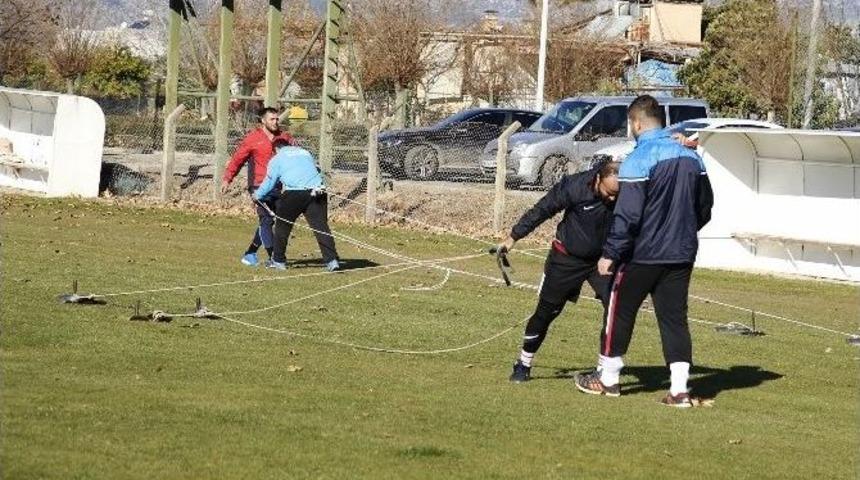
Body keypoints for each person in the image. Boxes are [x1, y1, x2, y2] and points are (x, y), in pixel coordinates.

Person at [573, 95, 713, 407]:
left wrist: (610, 253)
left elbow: (628, 216)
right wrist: (683, 233)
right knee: (674, 319)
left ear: (636, 123)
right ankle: (679, 391)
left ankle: (608, 380)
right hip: (681, 254)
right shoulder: (694, 158)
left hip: (642, 255)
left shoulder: (637, 160)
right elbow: (705, 208)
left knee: (619, 312)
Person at [499, 159, 621, 383]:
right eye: (608, 193)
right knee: (547, 312)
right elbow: (543, 209)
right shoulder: (574, 186)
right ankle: (523, 363)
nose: (613, 199)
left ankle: (604, 370)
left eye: (616, 195)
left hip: (603, 261)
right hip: (566, 259)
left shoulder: (626, 191)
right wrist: (513, 238)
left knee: (615, 308)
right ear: (597, 180)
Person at [221, 107, 296, 267]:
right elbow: (237, 159)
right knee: (266, 219)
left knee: (269, 221)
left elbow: (297, 155)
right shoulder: (253, 138)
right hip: (257, 186)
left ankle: (250, 253)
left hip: (277, 186)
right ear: (263, 121)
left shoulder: (284, 137)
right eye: (272, 119)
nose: (275, 122)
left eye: (277, 119)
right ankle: (274, 258)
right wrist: (228, 178)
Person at [253, 138, 340, 272]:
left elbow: (269, 181)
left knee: (282, 227)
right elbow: (316, 170)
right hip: (318, 191)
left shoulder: (277, 159)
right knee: (321, 228)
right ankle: (332, 261)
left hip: (294, 193)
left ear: (276, 149)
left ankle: (278, 261)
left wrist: (257, 195)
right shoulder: (305, 153)